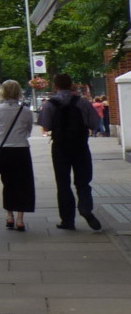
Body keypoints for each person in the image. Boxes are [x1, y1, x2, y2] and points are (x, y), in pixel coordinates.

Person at [38, 72, 102, 230]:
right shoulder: (83, 102)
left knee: (63, 183)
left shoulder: (50, 104)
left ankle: (67, 220)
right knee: (83, 182)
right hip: (80, 146)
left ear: (55, 86)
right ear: (71, 84)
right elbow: (95, 123)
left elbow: (45, 126)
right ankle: (86, 208)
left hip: (60, 147)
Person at [0, 80, 34, 232]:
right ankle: (20, 220)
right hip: (21, 150)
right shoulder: (26, 111)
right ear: (19, 92)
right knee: (23, 184)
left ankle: (9, 216)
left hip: (3, 150)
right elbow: (28, 130)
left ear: (3, 91)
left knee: (8, 184)